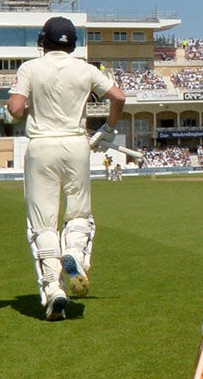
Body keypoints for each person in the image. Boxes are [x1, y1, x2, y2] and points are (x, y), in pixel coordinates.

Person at [7, 16, 124, 318]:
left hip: (41, 147)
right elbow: (118, 97)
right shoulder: (85, 69)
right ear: (73, 44)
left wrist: (32, 109)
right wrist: (108, 129)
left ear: (42, 41)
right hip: (76, 146)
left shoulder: (30, 68)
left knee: (43, 224)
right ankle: (73, 253)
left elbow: (15, 109)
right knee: (78, 215)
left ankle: (54, 289)